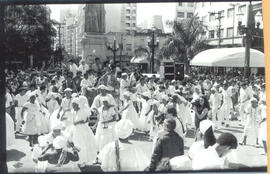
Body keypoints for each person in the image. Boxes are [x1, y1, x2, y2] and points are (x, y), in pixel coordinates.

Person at [70, 97, 97, 167]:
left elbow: (87, 120)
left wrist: (79, 122)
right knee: (75, 144)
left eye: (74, 104)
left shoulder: (82, 111)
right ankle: (77, 159)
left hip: (82, 129)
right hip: (75, 129)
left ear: (77, 104)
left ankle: (83, 160)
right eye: (72, 105)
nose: (73, 106)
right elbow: (72, 121)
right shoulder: (72, 111)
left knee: (82, 144)